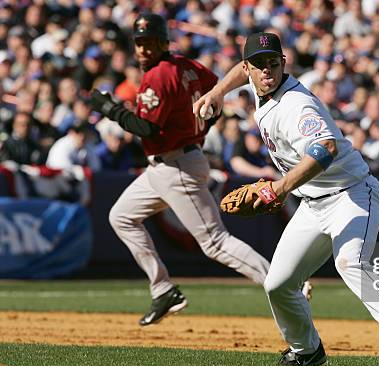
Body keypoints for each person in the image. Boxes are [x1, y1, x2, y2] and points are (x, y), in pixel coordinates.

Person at [193, 32, 379, 366]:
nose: (266, 71)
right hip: (313, 203)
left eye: (273, 63)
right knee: (278, 283)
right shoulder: (257, 82)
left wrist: (280, 187)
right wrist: (216, 92)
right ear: (249, 68)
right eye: (258, 65)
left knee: (351, 262)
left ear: (283, 64)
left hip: (353, 195)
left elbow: (326, 148)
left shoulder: (296, 104)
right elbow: (239, 72)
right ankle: (306, 349)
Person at [89, 13, 271, 326]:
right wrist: (201, 124)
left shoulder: (159, 74)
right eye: (140, 42)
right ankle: (163, 290)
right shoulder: (187, 66)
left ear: (162, 42)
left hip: (176, 166)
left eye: (150, 42)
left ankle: (280, 280)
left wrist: (109, 108)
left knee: (215, 243)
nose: (144, 49)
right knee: (121, 217)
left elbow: (144, 128)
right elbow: (215, 91)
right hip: (168, 164)